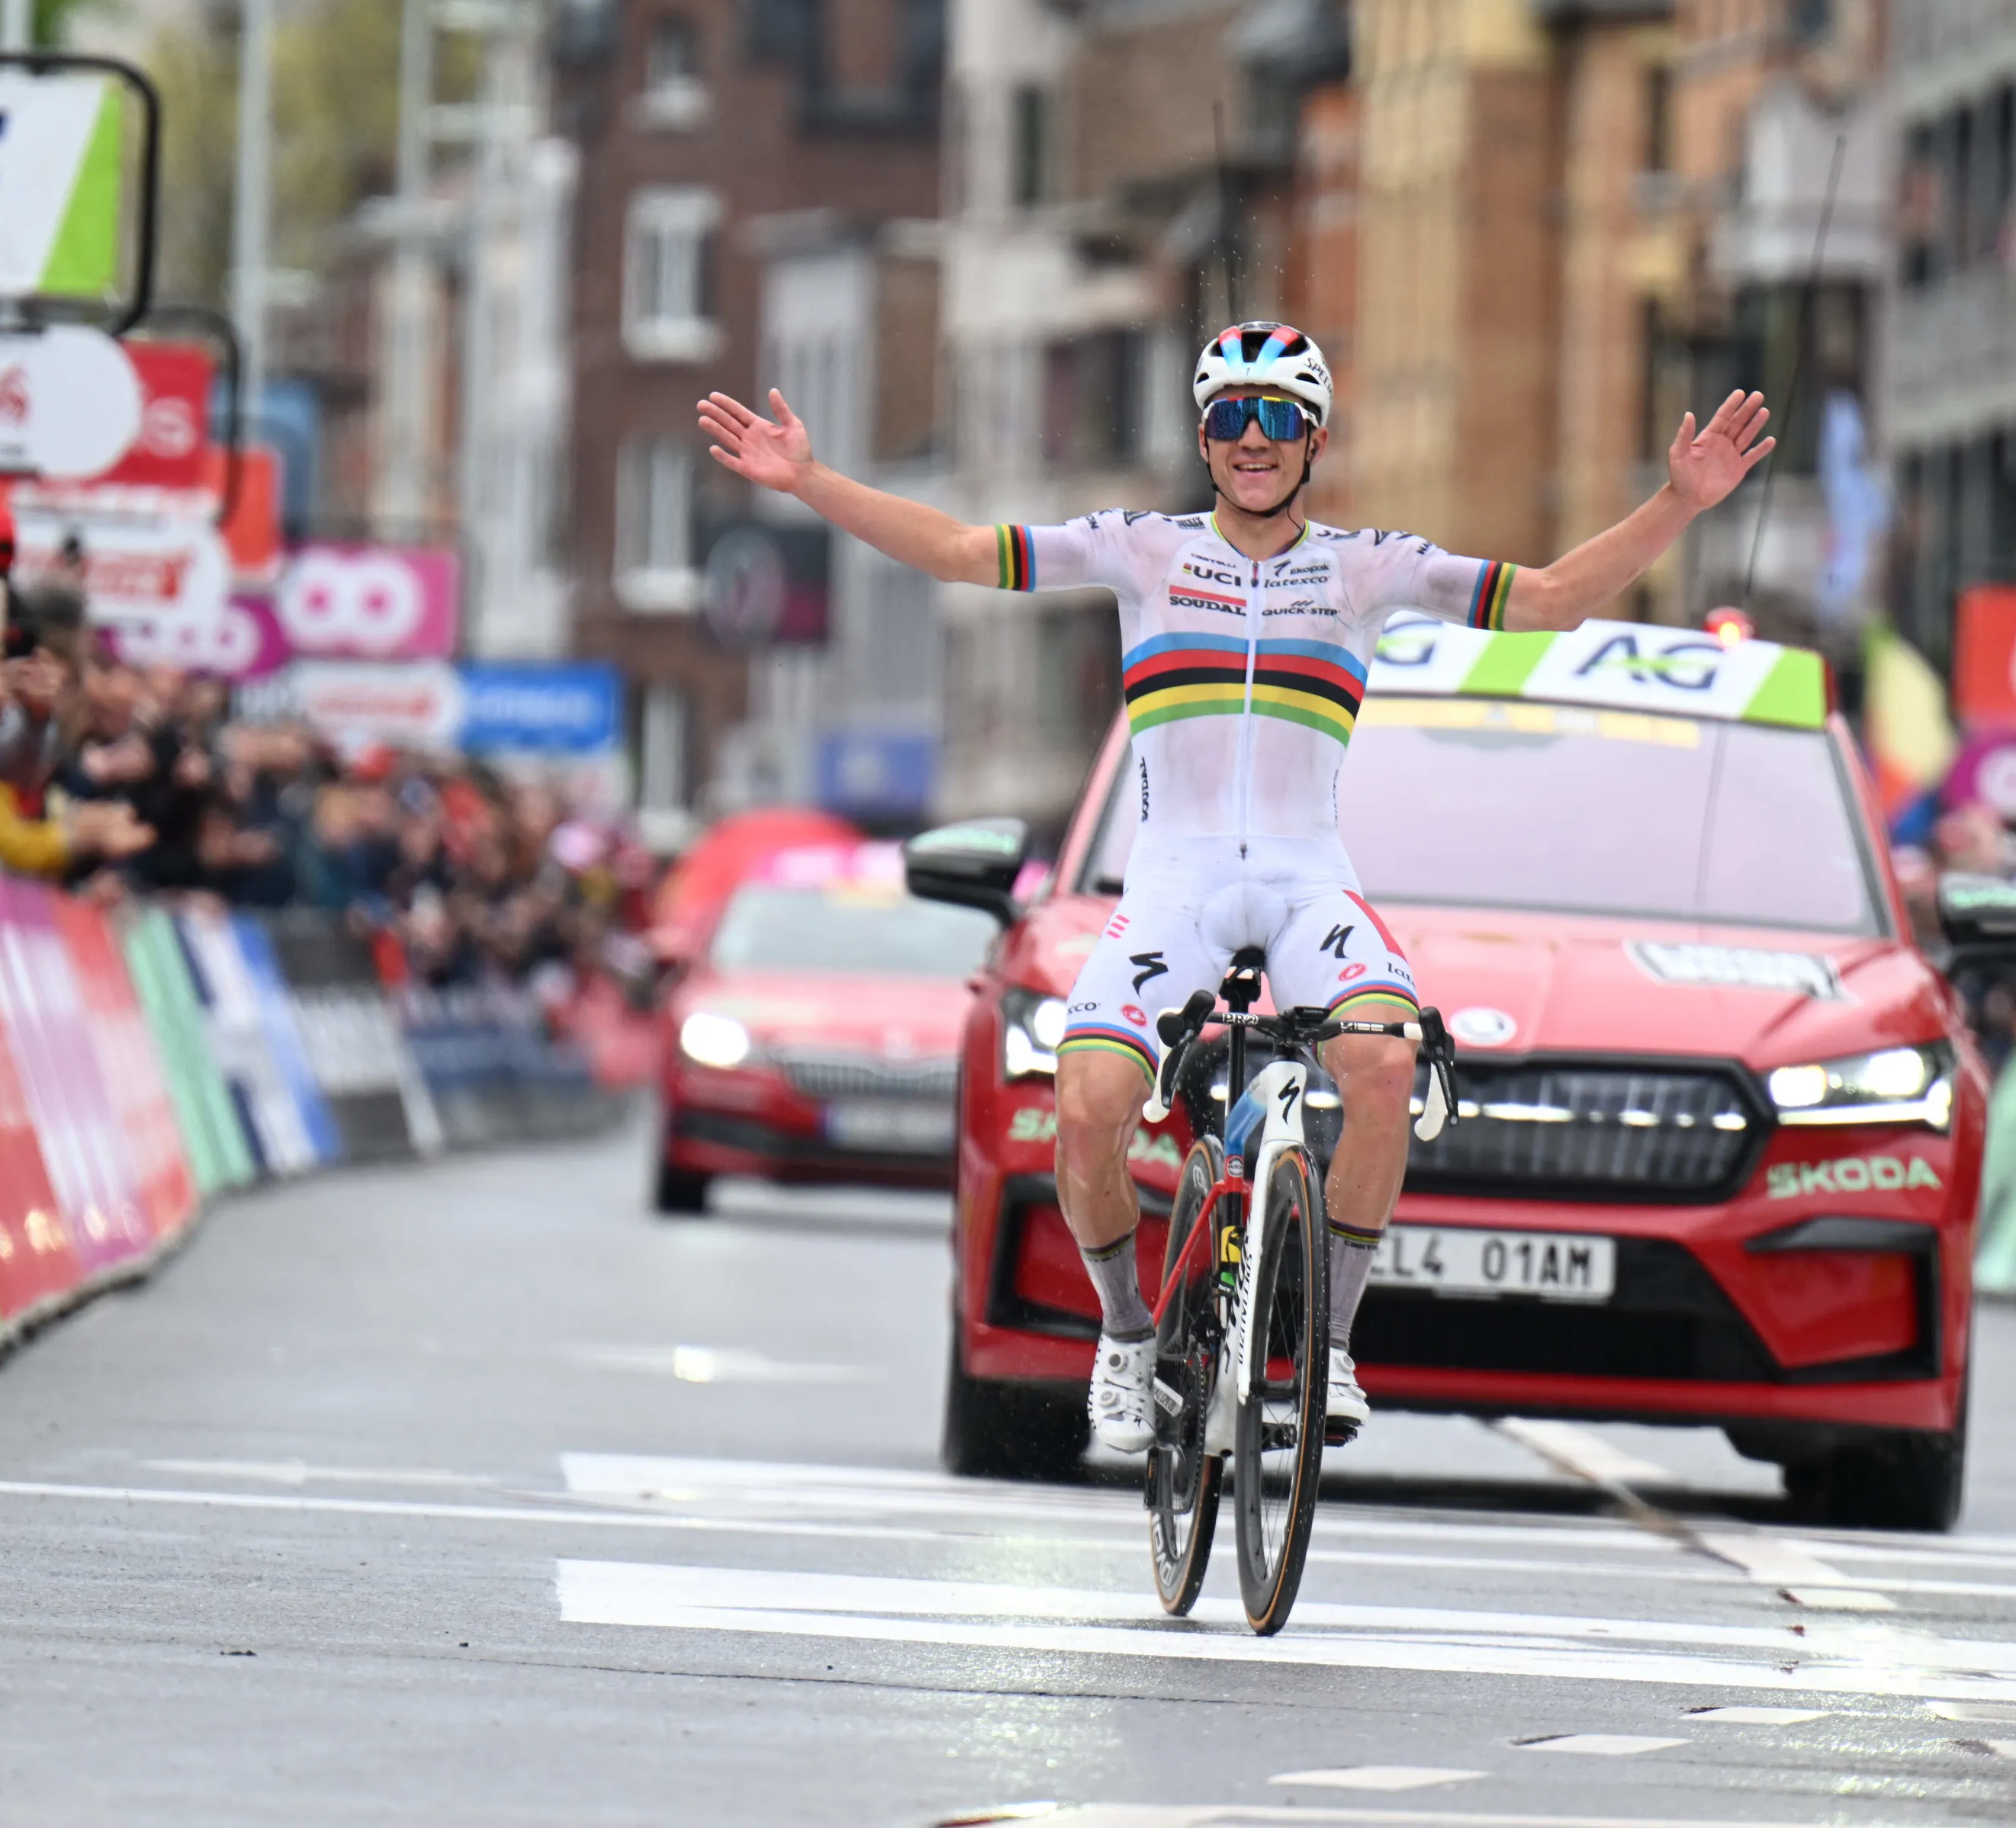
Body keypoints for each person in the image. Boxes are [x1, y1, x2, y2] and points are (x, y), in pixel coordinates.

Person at [700, 323, 1776, 1452]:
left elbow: (1548, 600)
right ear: (1205, 439)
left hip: (1310, 882)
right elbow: (966, 551)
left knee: (1385, 1065)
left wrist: (1680, 502)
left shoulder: (1368, 567)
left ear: (1315, 440)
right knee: (1085, 1111)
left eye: (1277, 418)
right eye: (1229, 417)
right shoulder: (1141, 549)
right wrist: (811, 482)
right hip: (1177, 883)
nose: (1252, 439)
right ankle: (1127, 1337)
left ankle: (1333, 1345)